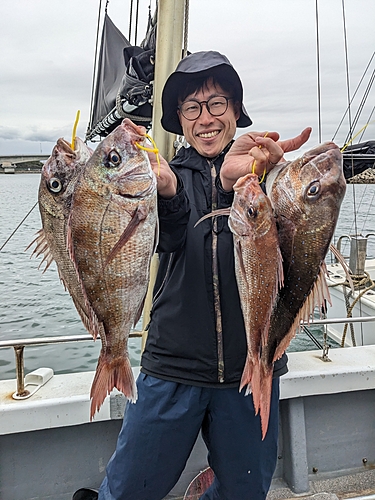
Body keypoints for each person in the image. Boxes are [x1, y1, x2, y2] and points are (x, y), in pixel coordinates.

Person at [73, 50, 311, 500]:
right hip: (172, 366)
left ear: (236, 112)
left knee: (246, 492)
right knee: (127, 491)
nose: (206, 118)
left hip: (250, 369)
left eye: (218, 103)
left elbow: (296, 251)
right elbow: (168, 238)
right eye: (192, 107)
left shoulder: (263, 178)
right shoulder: (156, 177)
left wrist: (259, 179)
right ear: (179, 118)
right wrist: (168, 192)